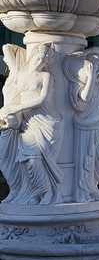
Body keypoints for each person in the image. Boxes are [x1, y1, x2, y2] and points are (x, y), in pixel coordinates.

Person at [0, 43, 63, 205]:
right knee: (30, 158)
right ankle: (36, 192)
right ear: (32, 56)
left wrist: (18, 107)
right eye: (38, 57)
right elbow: (7, 48)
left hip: (46, 119)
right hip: (27, 121)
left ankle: (47, 193)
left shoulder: (46, 76)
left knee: (37, 159)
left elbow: (44, 99)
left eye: (44, 60)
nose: (40, 62)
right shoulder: (21, 74)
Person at [68, 48, 99, 202]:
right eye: (94, 65)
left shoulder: (96, 83)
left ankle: (93, 186)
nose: (98, 68)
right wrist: (90, 78)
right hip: (85, 126)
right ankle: (85, 191)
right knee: (86, 162)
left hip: (98, 125)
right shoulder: (77, 84)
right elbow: (83, 100)